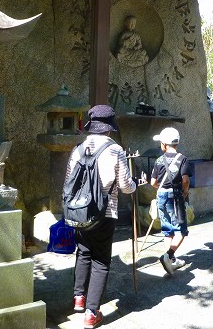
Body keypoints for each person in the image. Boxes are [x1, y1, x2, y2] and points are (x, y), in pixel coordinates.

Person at [66, 104, 139, 329]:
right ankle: (91, 312)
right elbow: (125, 185)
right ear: (108, 127)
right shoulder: (115, 150)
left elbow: (68, 181)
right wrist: (135, 186)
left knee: (83, 252)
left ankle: (79, 298)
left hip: (80, 211)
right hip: (105, 212)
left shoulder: (78, 148)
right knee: (101, 260)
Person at [149, 126, 192, 275]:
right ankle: (168, 256)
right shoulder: (183, 159)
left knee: (168, 230)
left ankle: (171, 261)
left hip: (161, 195)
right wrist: (185, 191)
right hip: (175, 197)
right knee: (181, 231)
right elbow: (185, 180)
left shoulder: (159, 160)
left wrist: (161, 188)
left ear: (164, 144)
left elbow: (153, 182)